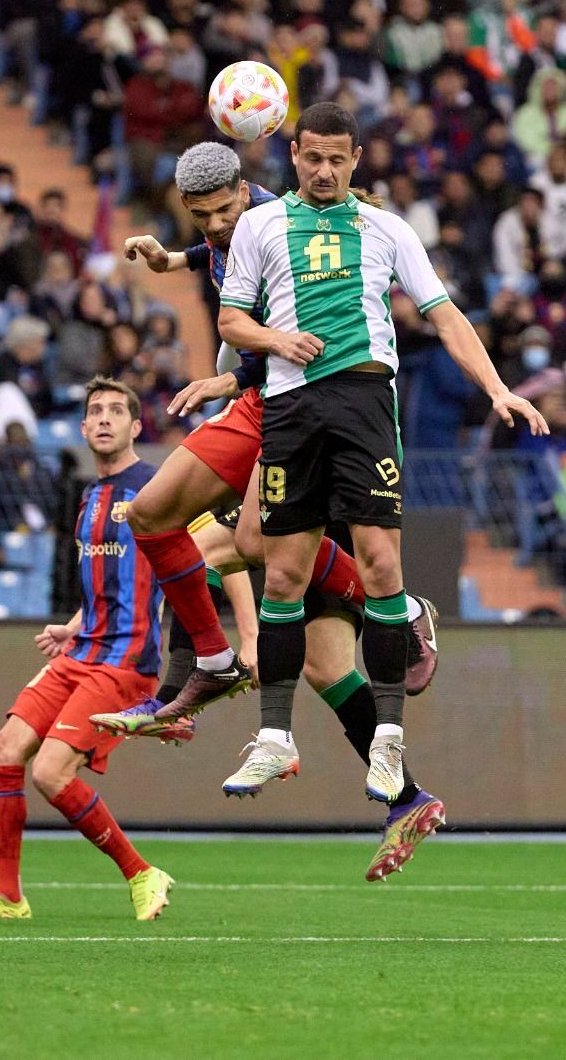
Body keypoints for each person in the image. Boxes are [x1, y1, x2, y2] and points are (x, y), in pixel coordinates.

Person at [210, 103, 544, 816]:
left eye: (337, 158)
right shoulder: (260, 227)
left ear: (356, 158)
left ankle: (388, 739)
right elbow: (231, 318)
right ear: (292, 155)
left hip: (363, 404)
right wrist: (274, 342)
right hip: (291, 408)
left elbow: (443, 313)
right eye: (311, 158)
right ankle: (275, 736)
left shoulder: (387, 229)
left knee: (382, 565)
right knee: (285, 571)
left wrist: (497, 388)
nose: (324, 170)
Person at [104, 143, 440, 728]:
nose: (213, 226)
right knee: (152, 515)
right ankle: (212, 664)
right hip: (256, 401)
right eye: (199, 216)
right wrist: (172, 261)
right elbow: (219, 248)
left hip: (296, 409)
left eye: (221, 213)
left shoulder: (274, 229)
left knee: (271, 578)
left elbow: (301, 348)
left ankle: (397, 618)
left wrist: (228, 378)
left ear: (244, 192)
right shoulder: (228, 230)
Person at [0, 377, 174, 922]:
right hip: (83, 652)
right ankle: (7, 897)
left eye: (115, 411)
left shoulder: (157, 489)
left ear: (135, 427)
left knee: (50, 773)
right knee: (3, 750)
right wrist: (75, 626)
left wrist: (246, 641)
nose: (102, 419)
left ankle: (143, 873)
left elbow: (202, 556)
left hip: (124, 660)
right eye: (94, 411)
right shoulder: (90, 495)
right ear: (81, 428)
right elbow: (109, 580)